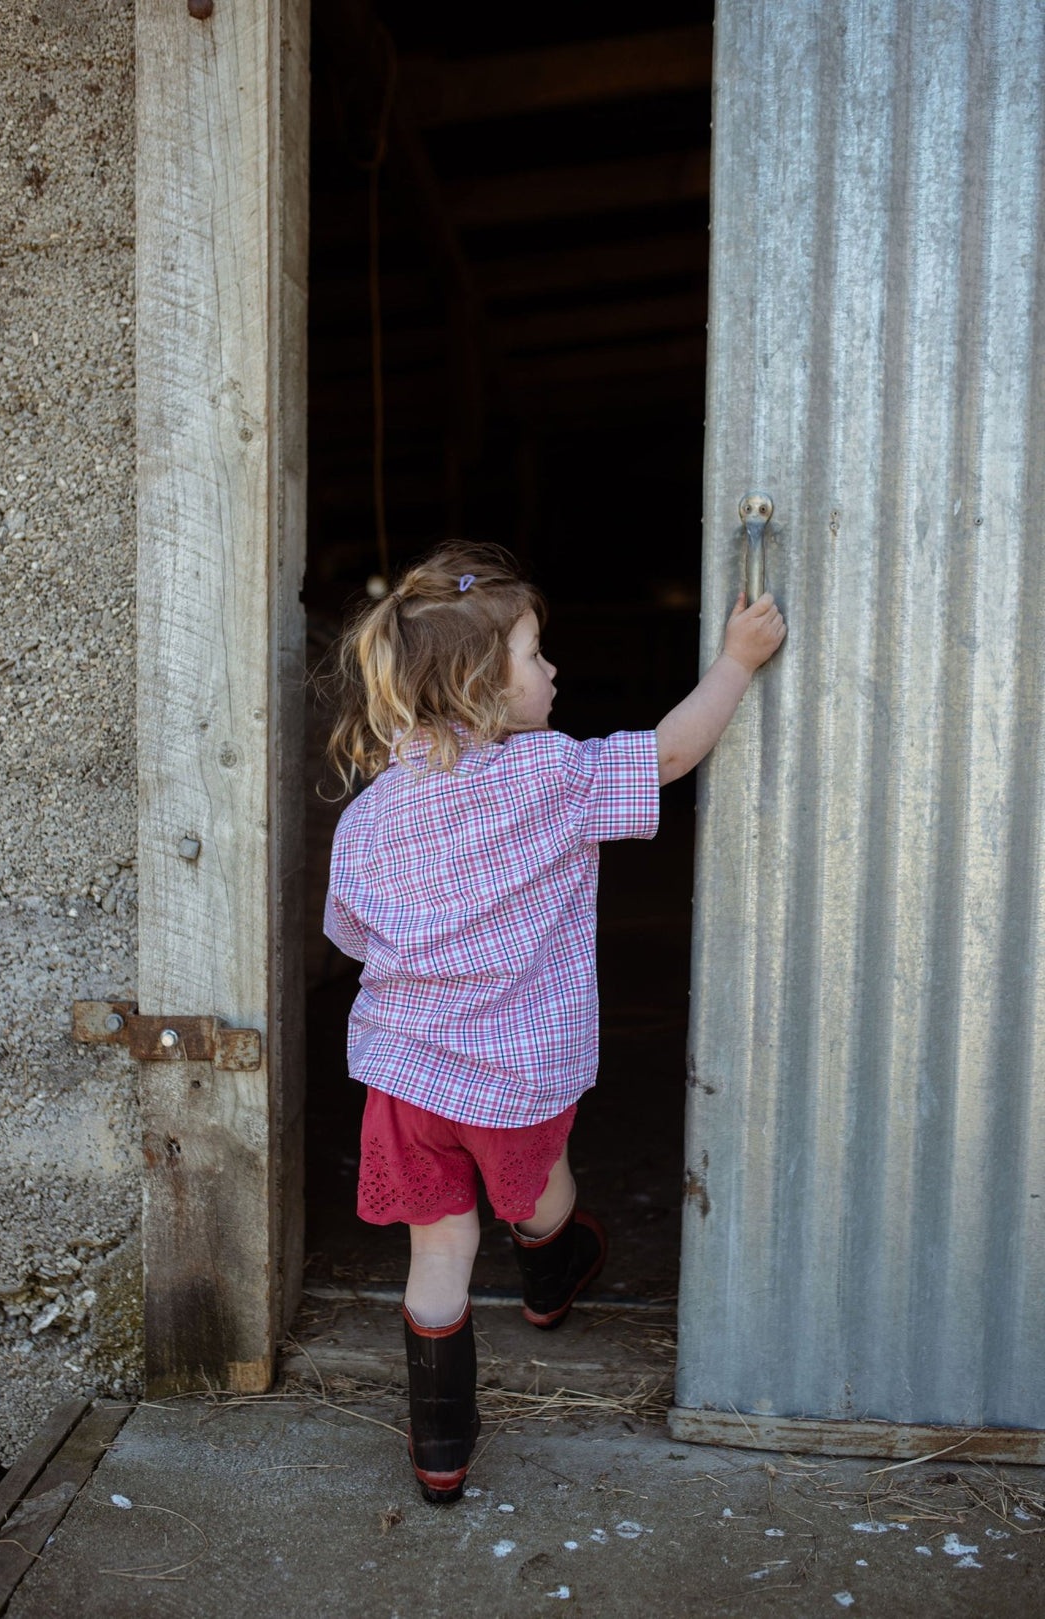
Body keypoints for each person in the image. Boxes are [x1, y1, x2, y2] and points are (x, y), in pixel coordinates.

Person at [323, 541, 786, 1505]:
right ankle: (551, 1272)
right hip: (511, 1078)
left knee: (437, 1256)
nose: (552, 671)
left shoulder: (370, 814)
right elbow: (666, 753)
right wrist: (737, 662)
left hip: (405, 1079)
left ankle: (440, 1453)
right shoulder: (550, 778)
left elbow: (353, 935)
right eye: (535, 656)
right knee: (535, 1193)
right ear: (480, 688)